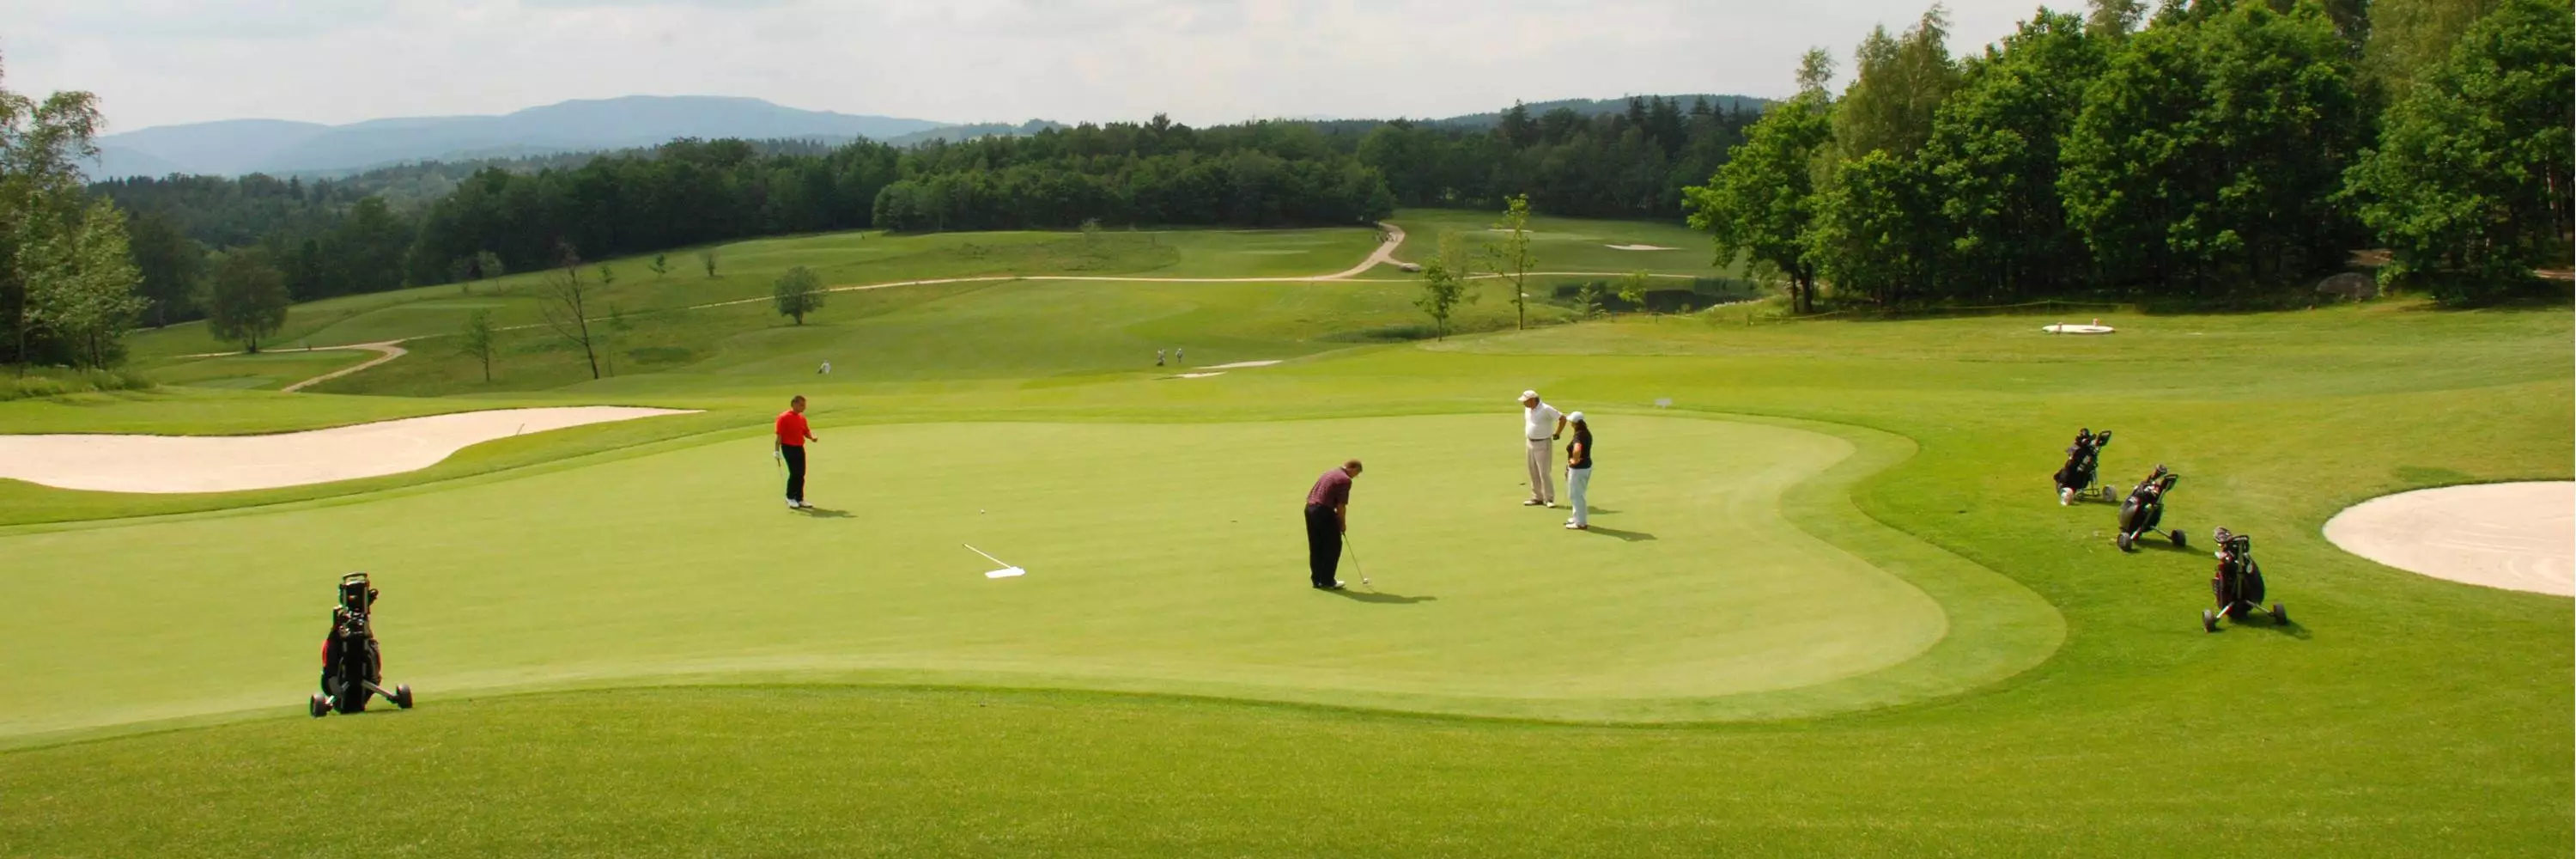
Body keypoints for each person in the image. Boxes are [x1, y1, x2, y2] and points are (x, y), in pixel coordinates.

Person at [1303, 459, 1363, 589]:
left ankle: (1317, 579)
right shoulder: (1345, 480)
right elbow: (1341, 506)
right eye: (1356, 473)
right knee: (1334, 545)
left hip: (1310, 509)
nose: (1355, 476)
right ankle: (1328, 580)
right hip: (1323, 511)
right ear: (1351, 468)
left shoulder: (1330, 472)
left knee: (1316, 546)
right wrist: (1342, 523)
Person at [1517, 390, 1566, 507]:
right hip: (1530, 442)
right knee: (1533, 470)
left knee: (1544, 472)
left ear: (1533, 400)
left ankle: (1549, 498)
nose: (1524, 403)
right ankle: (1537, 497)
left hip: (1543, 443)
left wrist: (1557, 433)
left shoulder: (1546, 409)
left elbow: (1562, 418)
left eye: (1526, 401)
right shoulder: (1528, 409)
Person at [775, 395, 817, 509]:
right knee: (794, 473)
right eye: (801, 405)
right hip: (788, 447)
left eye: (804, 405)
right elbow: (779, 435)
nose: (804, 407)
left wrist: (812, 437)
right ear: (794, 404)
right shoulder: (783, 417)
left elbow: (805, 431)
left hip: (799, 447)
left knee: (801, 473)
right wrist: (776, 451)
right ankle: (790, 497)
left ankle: (799, 498)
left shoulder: (801, 418)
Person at [1564, 412, 1593, 530]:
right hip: (1585, 467)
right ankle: (1577, 518)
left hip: (1579, 469)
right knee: (1577, 494)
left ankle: (1581, 523)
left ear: (1575, 423)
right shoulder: (1586, 433)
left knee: (1577, 495)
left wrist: (1574, 461)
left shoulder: (1579, 436)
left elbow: (1577, 448)